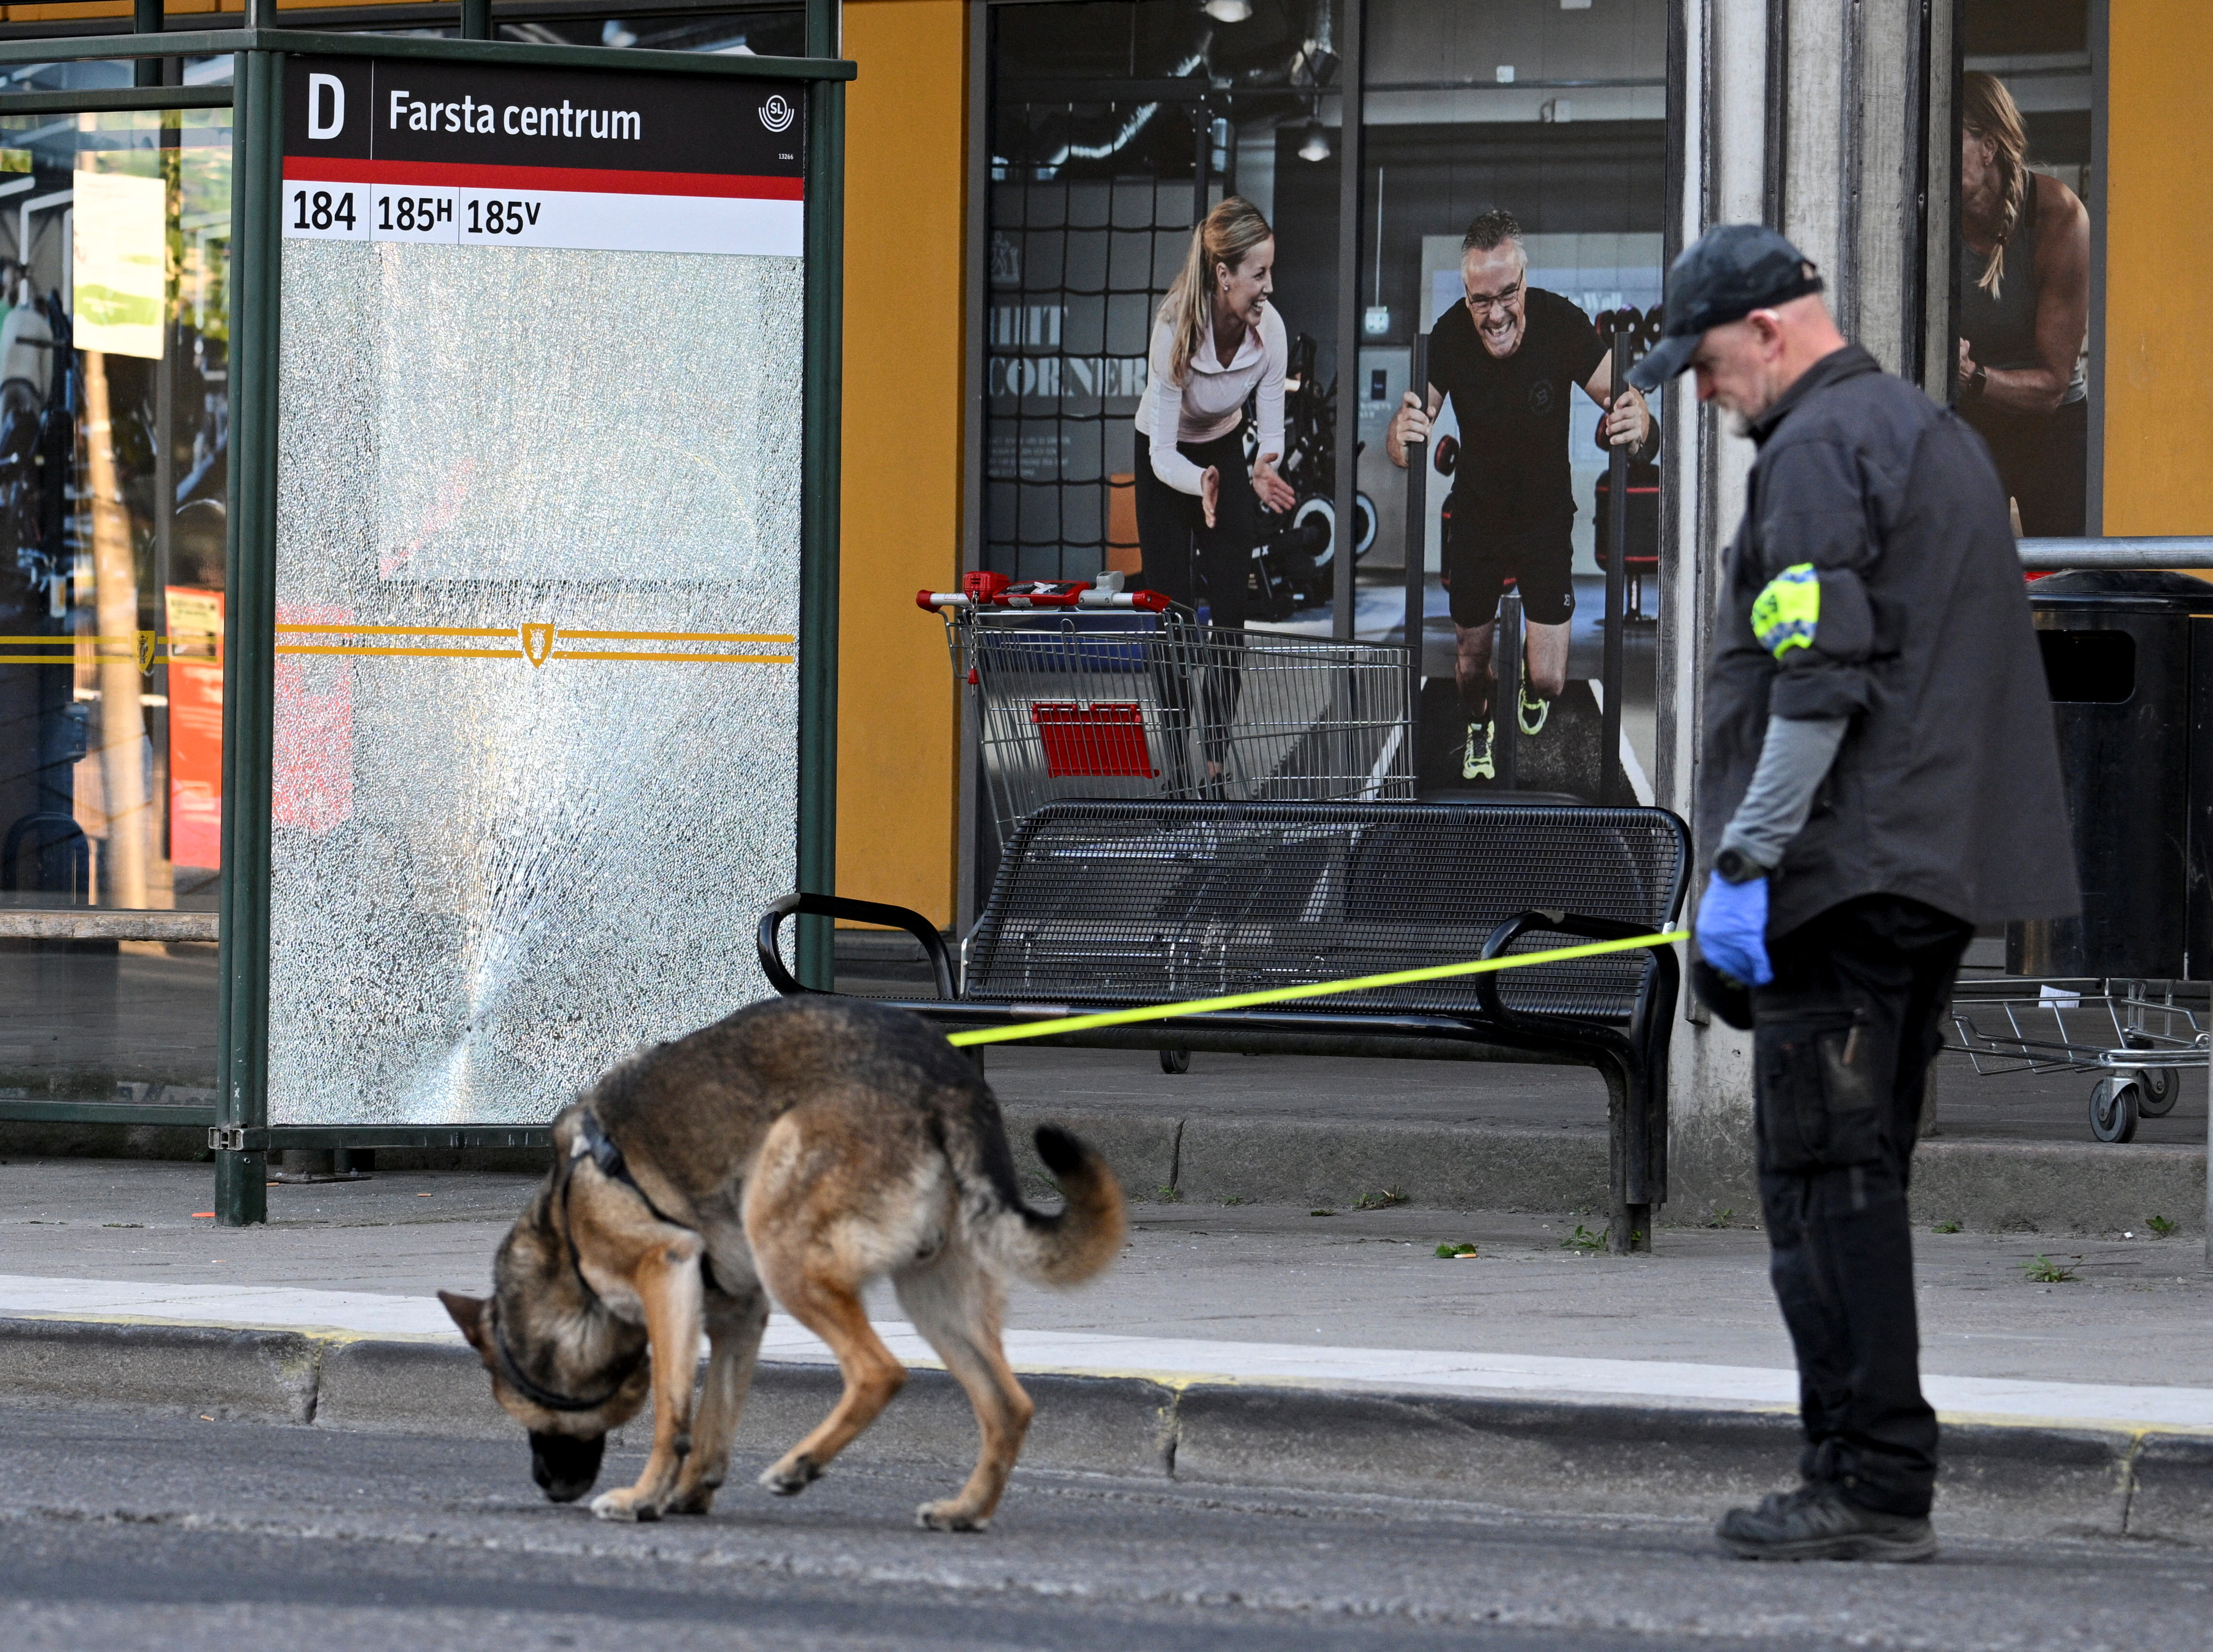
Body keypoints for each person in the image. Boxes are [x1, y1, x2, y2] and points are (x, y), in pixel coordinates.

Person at [1630, 224, 2079, 1562]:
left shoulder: (1821, 452)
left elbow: (1816, 682)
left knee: (1824, 1185)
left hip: (1842, 884)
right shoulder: (1935, 437)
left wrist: (1744, 870)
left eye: (1705, 368)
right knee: (1858, 1176)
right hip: (1922, 882)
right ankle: (1867, 1469)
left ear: (1769, 331)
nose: (1702, 397)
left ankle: (1872, 1481)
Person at [1386, 210, 1656, 782]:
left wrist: (1640, 422)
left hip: (1544, 515)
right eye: (1481, 300)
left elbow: (1625, 404)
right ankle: (1478, 723)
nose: (1497, 312)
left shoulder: (1561, 323)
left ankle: (1530, 693)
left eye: (1508, 294)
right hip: (1478, 516)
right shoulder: (1453, 335)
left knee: (1551, 680)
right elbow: (1409, 433)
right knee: (1469, 665)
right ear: (1465, 296)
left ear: (1523, 284)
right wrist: (1403, 433)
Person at [1132, 197, 1298, 789]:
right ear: (1223, 275)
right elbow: (1160, 455)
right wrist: (1196, 481)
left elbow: (1270, 431)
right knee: (1174, 614)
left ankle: (1214, 761)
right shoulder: (1176, 326)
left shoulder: (1270, 332)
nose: (1268, 287)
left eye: (1270, 272)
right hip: (1166, 456)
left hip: (1225, 451)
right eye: (1259, 274)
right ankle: (1177, 764)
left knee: (1230, 610)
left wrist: (1262, 467)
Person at [1956, 69, 2090, 536]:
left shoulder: (2058, 216)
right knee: (1967, 576)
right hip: (1971, 419)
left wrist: (1972, 377)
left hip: (2051, 427)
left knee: (2064, 580)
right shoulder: (1930, 213)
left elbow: (2053, 386)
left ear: (1988, 147)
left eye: (1946, 143)